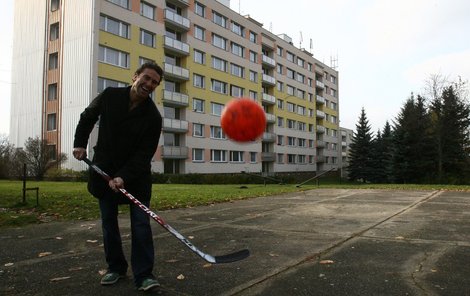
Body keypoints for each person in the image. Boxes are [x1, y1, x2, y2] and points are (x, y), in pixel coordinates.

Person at [72, 62, 163, 291]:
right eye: (147, 78)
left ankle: (144, 275)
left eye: (155, 83)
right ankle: (116, 268)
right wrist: (80, 144)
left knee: (141, 225)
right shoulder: (110, 96)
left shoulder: (153, 117)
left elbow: (144, 154)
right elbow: (87, 116)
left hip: (136, 177)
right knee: (108, 223)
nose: (149, 84)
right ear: (136, 76)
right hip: (104, 171)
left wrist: (123, 176)